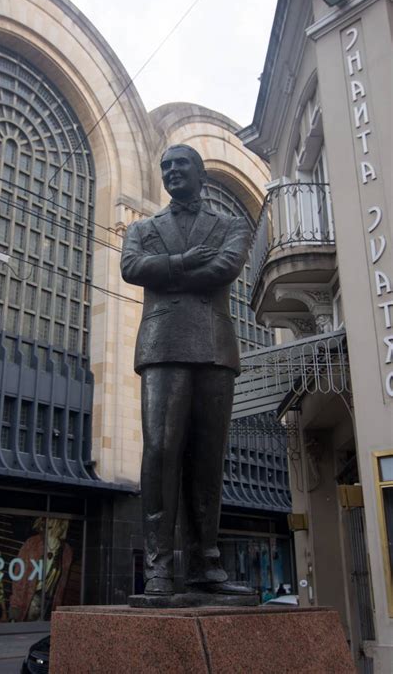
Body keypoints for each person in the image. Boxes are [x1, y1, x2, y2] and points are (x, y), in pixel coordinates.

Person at [121, 144, 252, 596]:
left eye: (181, 165)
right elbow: (130, 268)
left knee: (207, 459)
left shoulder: (233, 224)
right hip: (163, 345)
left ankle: (204, 565)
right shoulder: (141, 228)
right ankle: (159, 565)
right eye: (166, 166)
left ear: (201, 173)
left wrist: (166, 273)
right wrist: (180, 262)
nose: (172, 171)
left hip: (214, 348)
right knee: (160, 451)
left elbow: (224, 268)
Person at [9, 518, 73, 621]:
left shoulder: (66, 551)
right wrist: (15, 610)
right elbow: (19, 580)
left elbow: (62, 587)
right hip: (29, 602)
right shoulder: (32, 544)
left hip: (49, 606)